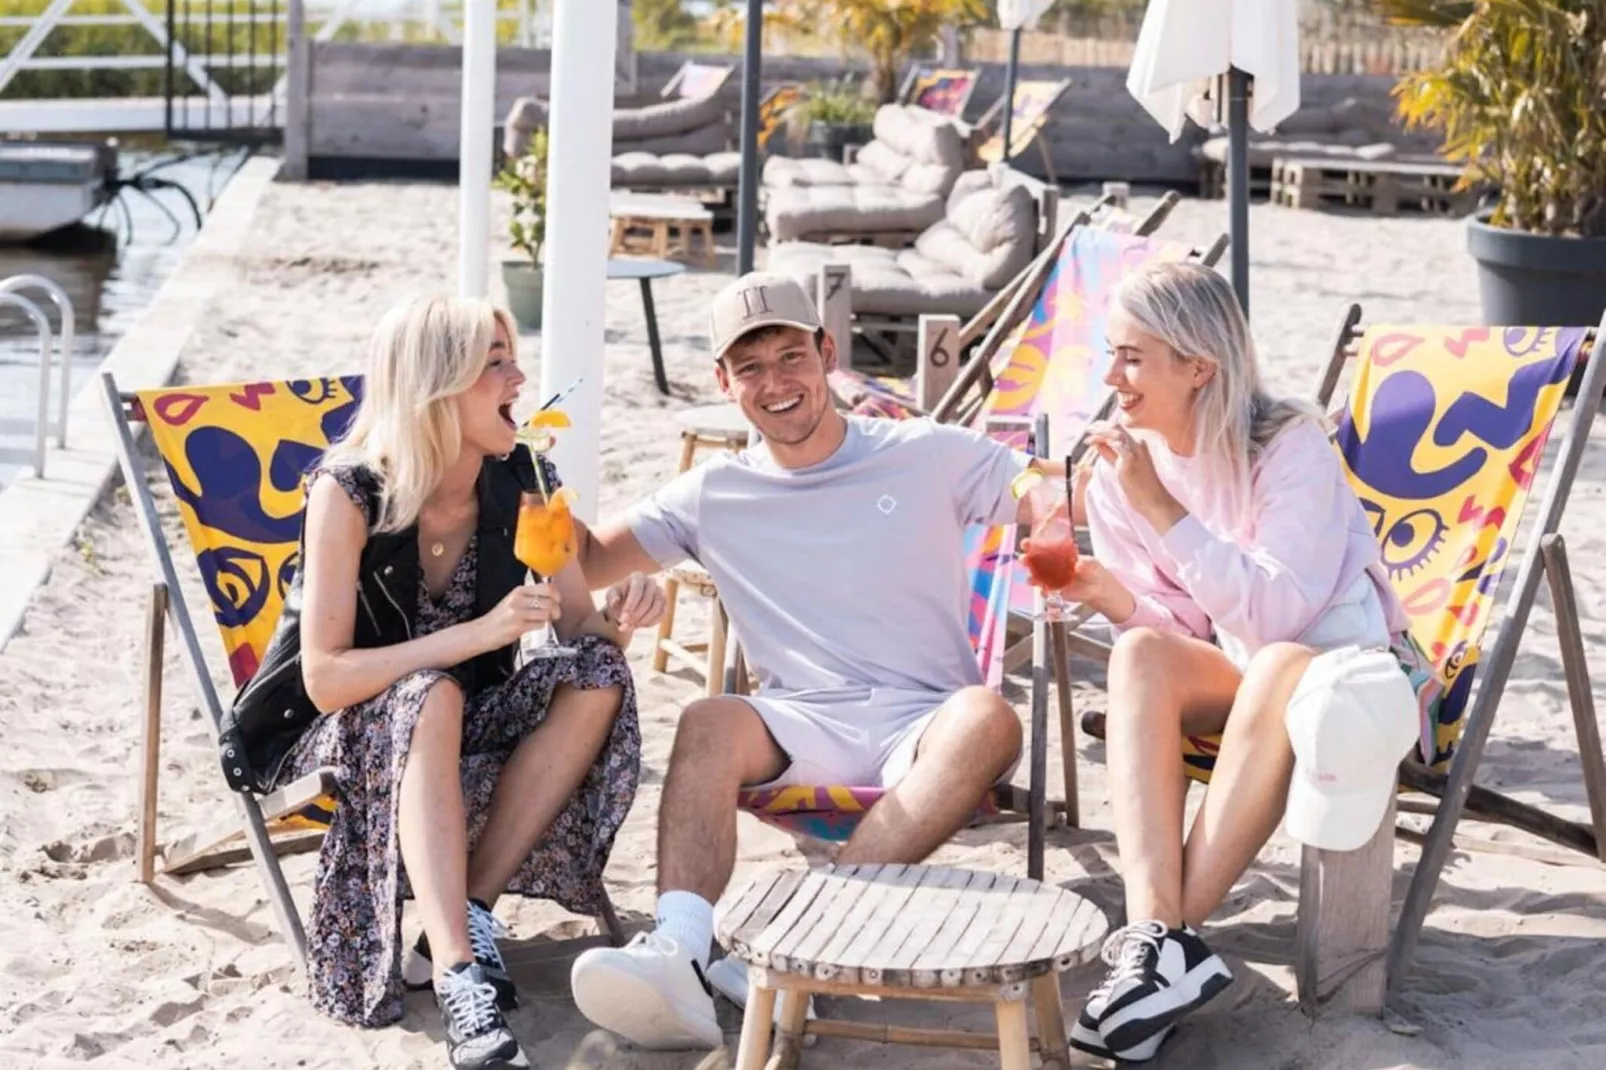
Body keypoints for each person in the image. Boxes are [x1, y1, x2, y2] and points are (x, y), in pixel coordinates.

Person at [563, 272, 1054, 1050]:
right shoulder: (711, 492)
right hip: (802, 724)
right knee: (707, 720)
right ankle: (683, 950)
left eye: (791, 356)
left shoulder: (922, 451)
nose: (776, 383)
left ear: (828, 354)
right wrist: (527, 486)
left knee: (989, 716)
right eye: (750, 368)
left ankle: (812, 925)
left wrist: (1055, 488)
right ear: (724, 383)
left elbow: (1039, 490)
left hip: (925, 723)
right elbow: (582, 563)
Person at [237, 295, 665, 1070]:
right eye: (494, 364)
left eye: (512, 357)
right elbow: (327, 678)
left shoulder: (527, 474)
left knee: (599, 673)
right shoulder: (348, 491)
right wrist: (477, 633)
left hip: (462, 711)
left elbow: (578, 626)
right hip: (340, 725)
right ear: (436, 386)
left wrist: (622, 614)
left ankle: (457, 920)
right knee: (430, 688)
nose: (520, 375)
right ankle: (464, 977)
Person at [1052, 262, 1433, 1062]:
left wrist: (1162, 504)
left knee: (1276, 661)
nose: (1111, 378)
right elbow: (1186, 623)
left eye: (1132, 357)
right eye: (1110, 355)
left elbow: (1277, 611)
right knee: (1139, 655)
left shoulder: (1287, 443)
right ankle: (1162, 941)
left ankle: (1160, 941)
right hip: (1247, 671)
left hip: (1344, 674)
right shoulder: (1125, 475)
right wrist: (1110, 594)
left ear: (1198, 367)